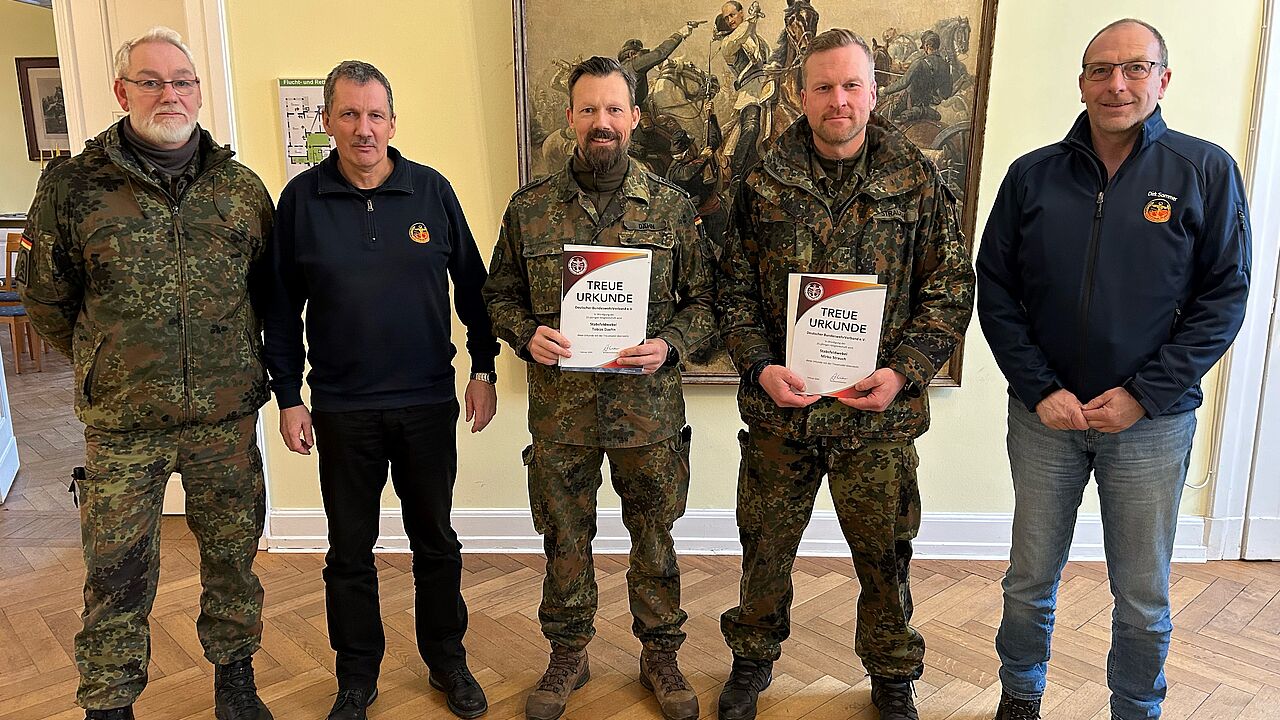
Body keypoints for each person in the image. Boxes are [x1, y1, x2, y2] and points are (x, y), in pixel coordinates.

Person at [976, 19, 1251, 720]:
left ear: (1163, 79)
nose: (1116, 84)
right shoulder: (1031, 175)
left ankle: (1136, 707)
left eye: (1134, 68)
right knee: (1030, 578)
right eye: (1100, 70)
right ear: (1081, 82)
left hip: (1151, 426)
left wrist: (1143, 394)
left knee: (1141, 592)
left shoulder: (1205, 171)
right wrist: (1040, 389)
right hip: (1046, 420)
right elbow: (996, 289)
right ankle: (1020, 695)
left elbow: (1225, 297)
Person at [17, 26, 275, 720]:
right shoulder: (73, 187)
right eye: (152, 80)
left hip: (225, 417)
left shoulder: (240, 189)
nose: (170, 93)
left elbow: (270, 292)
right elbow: (46, 300)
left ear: (198, 90)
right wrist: (108, 364)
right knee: (116, 572)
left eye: (182, 80)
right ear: (121, 90)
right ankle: (109, 702)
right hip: (123, 425)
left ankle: (236, 681)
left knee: (232, 558)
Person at [715, 28, 974, 720]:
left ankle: (891, 672)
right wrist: (761, 366)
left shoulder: (917, 180)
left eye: (851, 85)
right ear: (801, 95)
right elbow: (731, 289)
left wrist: (903, 373)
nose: (838, 100)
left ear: (875, 90)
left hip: (877, 416)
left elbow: (951, 287)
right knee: (763, 549)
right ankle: (752, 661)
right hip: (782, 411)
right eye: (824, 87)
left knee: (886, 558)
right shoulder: (761, 180)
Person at [260, 60, 498, 720]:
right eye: (349, 115)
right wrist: (288, 397)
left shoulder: (432, 192)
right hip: (341, 410)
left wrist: (483, 371)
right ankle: (356, 677)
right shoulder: (301, 202)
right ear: (329, 121)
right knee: (348, 552)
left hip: (427, 402)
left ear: (392, 121)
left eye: (375, 115)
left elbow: (476, 291)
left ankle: (447, 661)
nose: (364, 129)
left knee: (436, 544)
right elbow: (279, 311)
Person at [483, 56, 715, 720]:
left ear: (635, 118)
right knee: (563, 534)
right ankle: (568, 652)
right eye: (589, 110)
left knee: (655, 535)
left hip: (649, 416)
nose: (602, 122)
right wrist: (526, 334)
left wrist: (669, 343)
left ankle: (660, 653)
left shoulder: (673, 209)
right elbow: (497, 297)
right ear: (571, 120)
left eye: (615, 109)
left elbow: (706, 304)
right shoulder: (530, 210)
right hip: (563, 416)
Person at [715, 0, 773, 186]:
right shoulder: (728, 44)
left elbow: (767, 61)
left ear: (740, 13)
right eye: (727, 18)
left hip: (769, 86)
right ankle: (737, 176)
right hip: (750, 92)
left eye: (732, 15)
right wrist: (752, 20)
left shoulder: (760, 41)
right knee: (750, 127)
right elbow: (741, 34)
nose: (730, 20)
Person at [880, 30, 952, 124]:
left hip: (910, 104)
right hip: (930, 106)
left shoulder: (919, 63)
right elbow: (946, 93)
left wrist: (884, 91)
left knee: (884, 117)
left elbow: (903, 83)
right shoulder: (946, 65)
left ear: (927, 46)